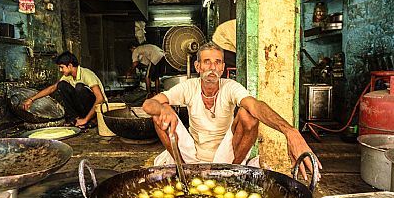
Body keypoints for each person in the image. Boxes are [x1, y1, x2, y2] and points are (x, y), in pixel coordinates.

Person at [142, 42, 321, 180]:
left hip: (225, 157)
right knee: (160, 112)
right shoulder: (189, 87)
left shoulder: (230, 87)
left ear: (222, 68)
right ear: (198, 67)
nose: (212, 67)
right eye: (207, 62)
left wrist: (290, 131)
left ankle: (232, 173)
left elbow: (256, 106)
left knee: (247, 114)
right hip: (191, 156)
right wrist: (161, 108)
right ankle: (183, 172)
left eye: (217, 62)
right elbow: (148, 105)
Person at [22, 51, 107, 128]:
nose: (60, 70)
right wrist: (31, 99)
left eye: (61, 67)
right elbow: (52, 88)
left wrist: (86, 119)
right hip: (83, 109)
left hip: (98, 109)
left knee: (79, 87)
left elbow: (100, 98)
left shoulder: (87, 74)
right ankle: (75, 119)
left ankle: (92, 119)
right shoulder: (68, 76)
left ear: (70, 65)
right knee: (61, 85)